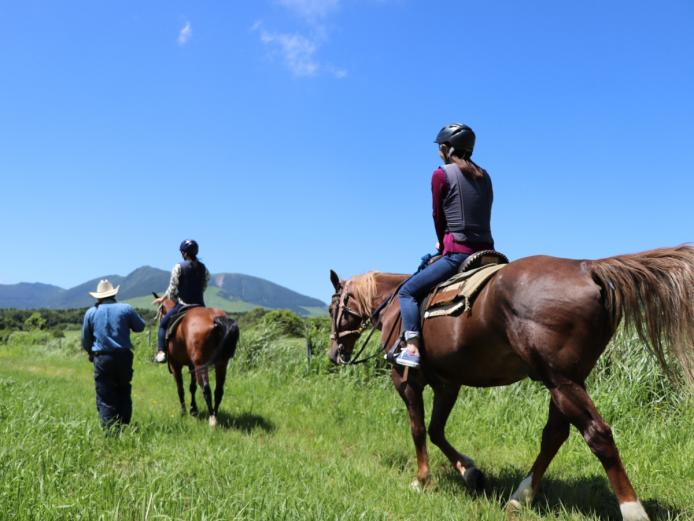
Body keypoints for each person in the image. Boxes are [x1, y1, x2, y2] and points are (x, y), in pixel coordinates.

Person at [394, 123, 495, 368]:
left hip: (458, 253)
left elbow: (438, 216)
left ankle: (413, 348)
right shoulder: (484, 176)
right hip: (489, 253)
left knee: (406, 292)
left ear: (445, 148)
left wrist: (442, 244)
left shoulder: (441, 174)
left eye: (440, 147)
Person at [81, 279, 145, 429]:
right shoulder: (126, 308)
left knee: (105, 394)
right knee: (123, 390)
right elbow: (140, 327)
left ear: (98, 296)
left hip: (102, 358)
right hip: (124, 356)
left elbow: (85, 339)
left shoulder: (91, 312)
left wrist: (91, 353)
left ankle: (109, 431)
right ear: (113, 294)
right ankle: (124, 426)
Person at [152, 239, 210, 363]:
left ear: (184, 253)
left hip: (183, 305)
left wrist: (168, 298)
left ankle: (161, 352)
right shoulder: (204, 268)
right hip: (200, 305)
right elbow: (204, 285)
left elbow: (172, 288)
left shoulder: (178, 267)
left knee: (162, 325)